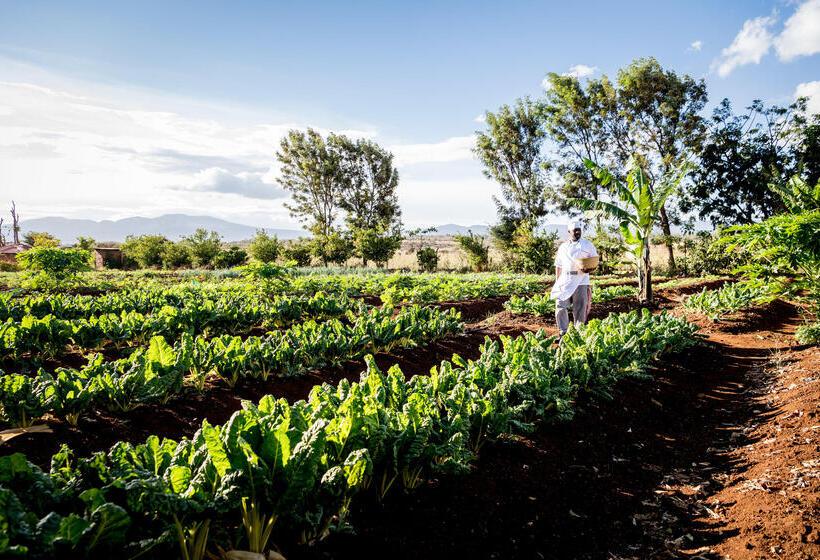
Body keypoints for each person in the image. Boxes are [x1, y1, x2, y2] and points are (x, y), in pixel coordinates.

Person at [549, 220, 598, 338]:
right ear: (569, 232)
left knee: (580, 308)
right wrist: (557, 281)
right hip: (565, 279)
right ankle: (563, 331)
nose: (577, 233)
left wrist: (590, 269)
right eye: (575, 231)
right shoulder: (563, 247)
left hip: (581, 279)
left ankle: (578, 333)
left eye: (579, 230)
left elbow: (595, 262)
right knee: (560, 305)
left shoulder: (587, 245)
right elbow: (559, 265)